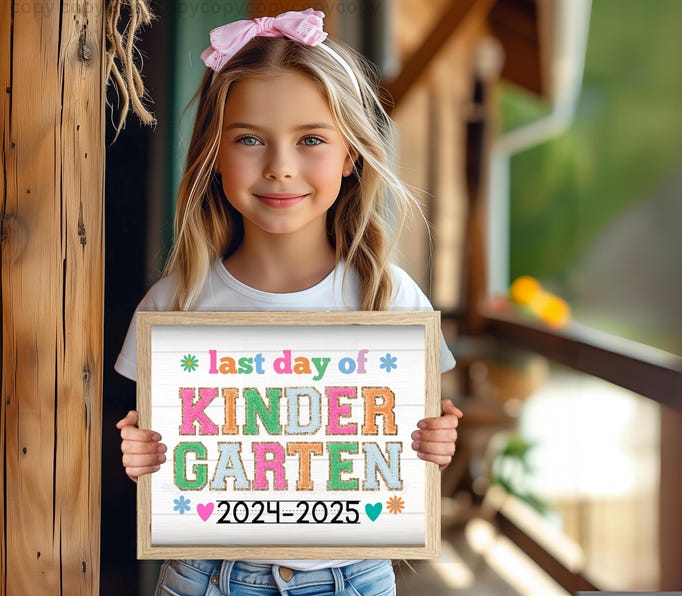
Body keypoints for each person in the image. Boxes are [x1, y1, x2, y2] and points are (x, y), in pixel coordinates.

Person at [114, 9, 464, 595]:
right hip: (203, 578)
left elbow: (415, 442)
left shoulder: (390, 296)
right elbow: (161, 456)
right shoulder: (174, 303)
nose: (280, 168)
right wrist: (142, 453)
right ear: (213, 153)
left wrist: (435, 443)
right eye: (249, 139)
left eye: (311, 140)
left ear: (351, 154)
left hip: (355, 578)